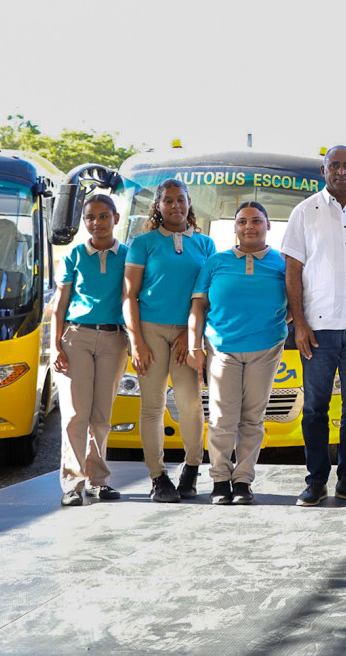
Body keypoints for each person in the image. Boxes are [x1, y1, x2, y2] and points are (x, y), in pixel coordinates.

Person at [282, 145, 346, 507]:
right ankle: (316, 481)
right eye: (334, 166)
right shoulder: (304, 212)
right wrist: (299, 323)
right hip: (318, 328)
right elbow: (292, 269)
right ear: (324, 171)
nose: (341, 171)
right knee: (315, 407)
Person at [187, 202, 287, 505]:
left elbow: (296, 303)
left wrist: (273, 323)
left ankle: (243, 480)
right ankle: (220, 479)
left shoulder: (283, 263)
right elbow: (198, 307)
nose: (249, 227)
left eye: (256, 221)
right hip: (222, 349)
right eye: (242, 221)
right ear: (235, 227)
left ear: (268, 225)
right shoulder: (216, 262)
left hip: (266, 349)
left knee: (252, 419)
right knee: (221, 418)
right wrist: (194, 346)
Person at [124, 179, 215, 503]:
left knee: (190, 403)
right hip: (150, 331)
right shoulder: (143, 243)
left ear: (189, 204)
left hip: (187, 335)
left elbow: (208, 296)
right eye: (168, 201)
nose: (175, 206)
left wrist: (192, 335)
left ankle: (191, 467)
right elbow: (129, 295)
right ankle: (158, 476)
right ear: (158, 206)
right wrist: (136, 341)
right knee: (152, 406)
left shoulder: (205, 245)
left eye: (181, 200)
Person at [51, 195, 129, 507]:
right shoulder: (74, 255)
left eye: (103, 216)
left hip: (114, 339)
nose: (97, 223)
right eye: (90, 218)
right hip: (77, 338)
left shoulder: (128, 255)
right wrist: (54, 345)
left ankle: (99, 481)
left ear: (116, 219)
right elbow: (59, 304)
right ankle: (73, 484)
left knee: (101, 416)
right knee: (75, 414)